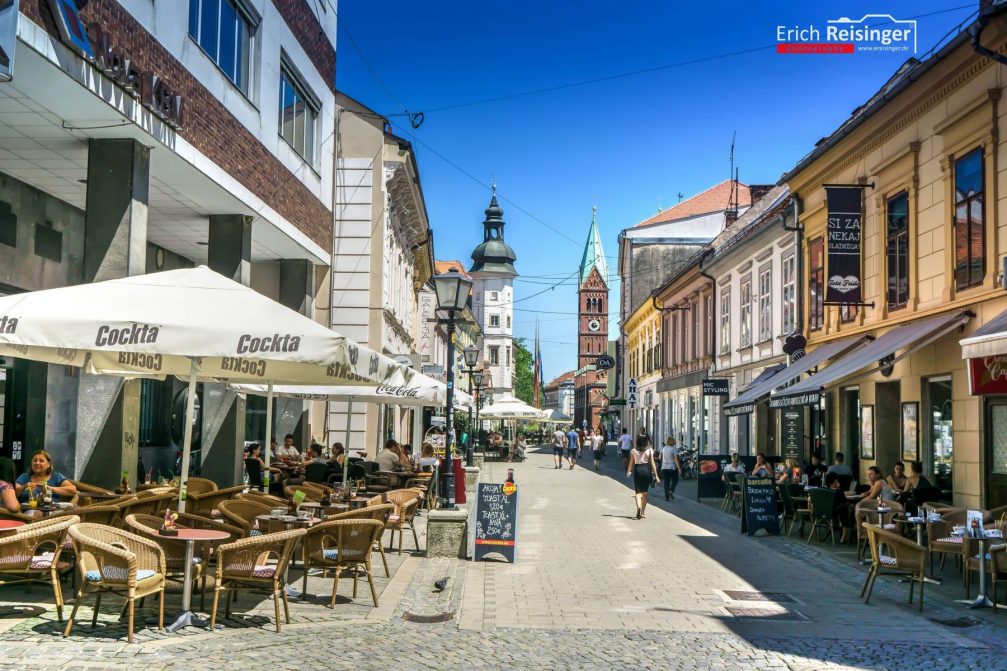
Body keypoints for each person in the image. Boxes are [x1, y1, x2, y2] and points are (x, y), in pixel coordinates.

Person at [627, 434, 660, 519]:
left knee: (638, 492)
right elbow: (652, 463)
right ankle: (643, 511)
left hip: (637, 470)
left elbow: (631, 463)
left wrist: (629, 471)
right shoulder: (649, 450)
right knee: (645, 493)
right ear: (646, 442)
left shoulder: (634, 451)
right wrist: (656, 476)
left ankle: (638, 507)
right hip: (646, 470)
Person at [824, 472, 855, 542]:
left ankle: (842, 532)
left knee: (843, 508)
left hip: (822, 513)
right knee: (845, 508)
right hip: (833, 513)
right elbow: (844, 501)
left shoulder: (824, 490)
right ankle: (844, 536)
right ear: (835, 481)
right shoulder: (838, 492)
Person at [659, 437, 681, 501]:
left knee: (666, 482)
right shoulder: (674, 449)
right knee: (675, 480)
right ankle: (671, 490)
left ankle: (666, 496)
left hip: (664, 467)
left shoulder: (663, 448)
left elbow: (660, 457)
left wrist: (662, 463)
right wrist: (679, 468)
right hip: (672, 468)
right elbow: (676, 460)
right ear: (673, 441)